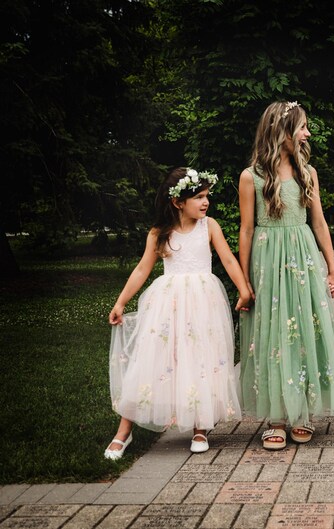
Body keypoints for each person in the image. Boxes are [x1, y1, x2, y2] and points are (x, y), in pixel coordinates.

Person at [105, 167, 252, 459]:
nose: (205, 202)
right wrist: (121, 301)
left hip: (203, 304)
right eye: (198, 197)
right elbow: (142, 269)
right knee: (151, 359)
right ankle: (124, 431)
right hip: (168, 305)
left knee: (200, 359)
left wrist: (243, 288)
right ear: (177, 202)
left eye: (206, 196)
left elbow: (227, 259)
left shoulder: (209, 226)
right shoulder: (159, 234)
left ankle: (200, 425)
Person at [238, 100, 334, 450]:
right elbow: (247, 230)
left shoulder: (307, 173)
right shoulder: (251, 176)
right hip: (268, 260)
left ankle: (302, 413)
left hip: (301, 258)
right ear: (281, 131)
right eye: (301, 127)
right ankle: (277, 418)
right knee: (272, 334)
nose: (307, 133)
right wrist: (244, 281)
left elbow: (318, 222)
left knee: (302, 330)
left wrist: (332, 267)